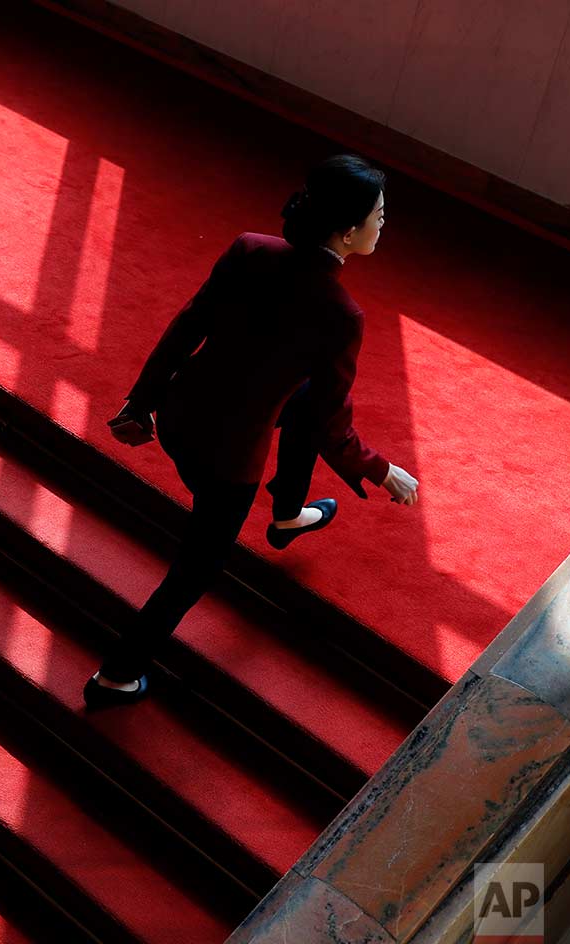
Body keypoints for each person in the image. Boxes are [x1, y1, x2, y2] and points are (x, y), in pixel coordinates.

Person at [84, 153, 420, 710]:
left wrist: (141, 401)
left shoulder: (250, 248)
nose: (383, 225)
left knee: (306, 396)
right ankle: (116, 676)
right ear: (346, 230)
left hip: (180, 417)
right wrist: (382, 472)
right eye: (378, 216)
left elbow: (188, 325)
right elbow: (334, 427)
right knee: (194, 572)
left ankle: (287, 513)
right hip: (228, 458)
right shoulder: (341, 314)